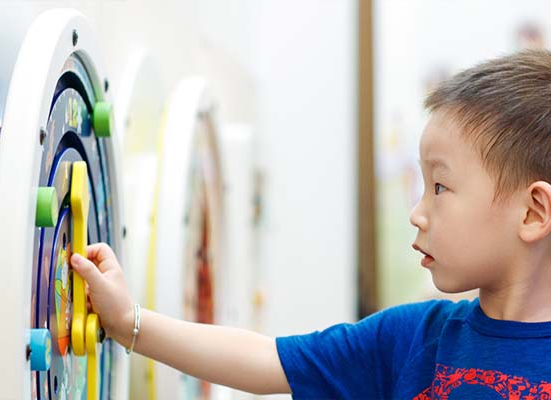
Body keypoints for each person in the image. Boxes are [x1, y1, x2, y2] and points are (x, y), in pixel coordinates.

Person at [71, 49, 551, 399]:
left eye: (440, 189)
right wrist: (128, 321)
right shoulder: (413, 338)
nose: (417, 213)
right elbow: (266, 361)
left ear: (532, 214)